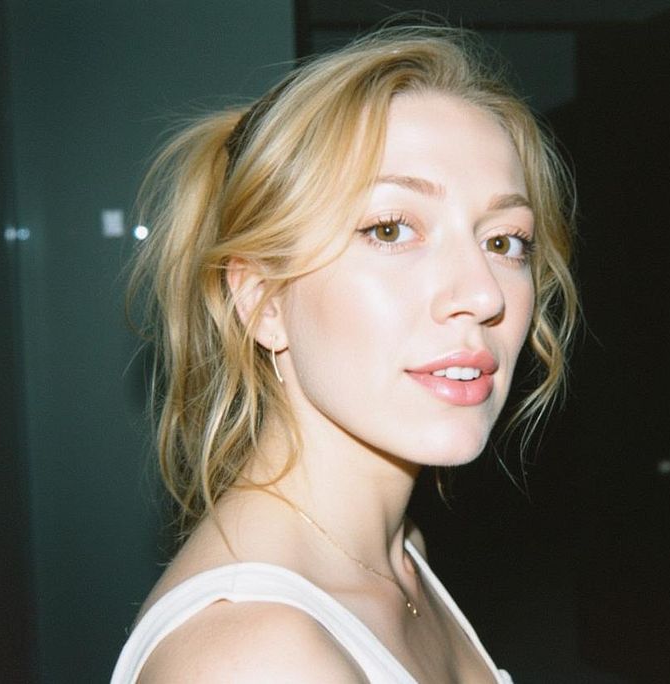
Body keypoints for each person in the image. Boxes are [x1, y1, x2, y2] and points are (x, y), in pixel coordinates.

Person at [111, 24, 577, 683]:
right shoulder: (252, 658)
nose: (483, 294)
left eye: (504, 241)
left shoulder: (399, 556)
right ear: (264, 300)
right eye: (390, 229)